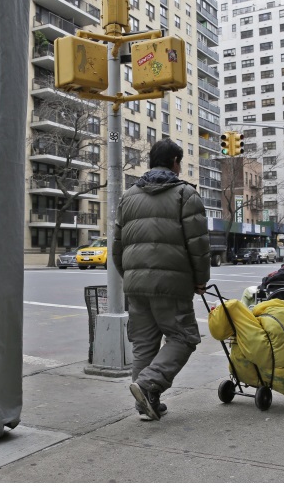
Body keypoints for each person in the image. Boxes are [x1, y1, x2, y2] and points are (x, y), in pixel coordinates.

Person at [113, 139, 210, 421]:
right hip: (172, 284)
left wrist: (130, 276)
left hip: (135, 284)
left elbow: (118, 245)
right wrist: (200, 279)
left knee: (144, 343)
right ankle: (147, 385)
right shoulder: (185, 194)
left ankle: (146, 403)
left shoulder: (128, 196)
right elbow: (198, 243)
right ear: (175, 162)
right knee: (184, 337)